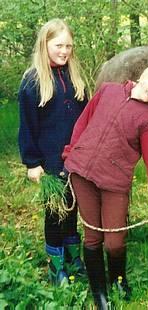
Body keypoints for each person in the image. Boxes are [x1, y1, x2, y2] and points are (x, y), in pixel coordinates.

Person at [62, 61, 148, 308]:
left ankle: (118, 280)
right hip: (81, 174)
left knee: (115, 242)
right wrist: (69, 155)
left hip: (114, 182)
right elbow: (82, 123)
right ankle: (100, 293)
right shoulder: (108, 90)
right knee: (93, 237)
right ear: (147, 74)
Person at [18, 18, 87, 286]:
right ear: (45, 44)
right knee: (55, 214)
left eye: (69, 46)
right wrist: (32, 162)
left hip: (75, 161)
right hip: (49, 162)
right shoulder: (33, 81)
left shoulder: (75, 78)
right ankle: (56, 265)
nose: (64, 51)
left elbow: (85, 118)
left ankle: (73, 258)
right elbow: (27, 126)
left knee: (72, 210)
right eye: (58, 45)